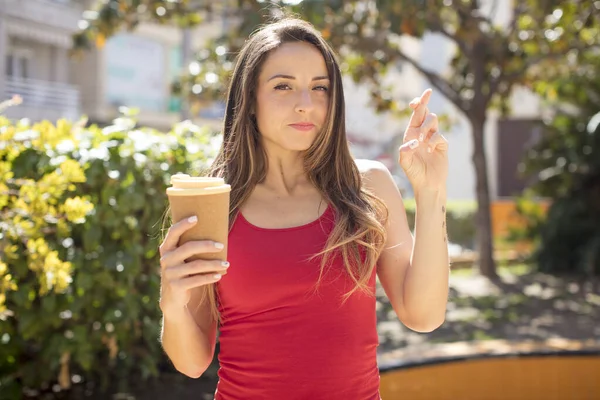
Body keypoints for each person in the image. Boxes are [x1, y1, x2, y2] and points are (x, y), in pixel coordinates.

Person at [158, 17, 449, 400]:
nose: (305, 104)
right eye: (283, 86)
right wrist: (172, 300)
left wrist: (430, 194)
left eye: (320, 88)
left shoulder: (367, 186)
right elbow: (192, 362)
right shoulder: (215, 203)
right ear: (249, 101)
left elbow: (423, 315)